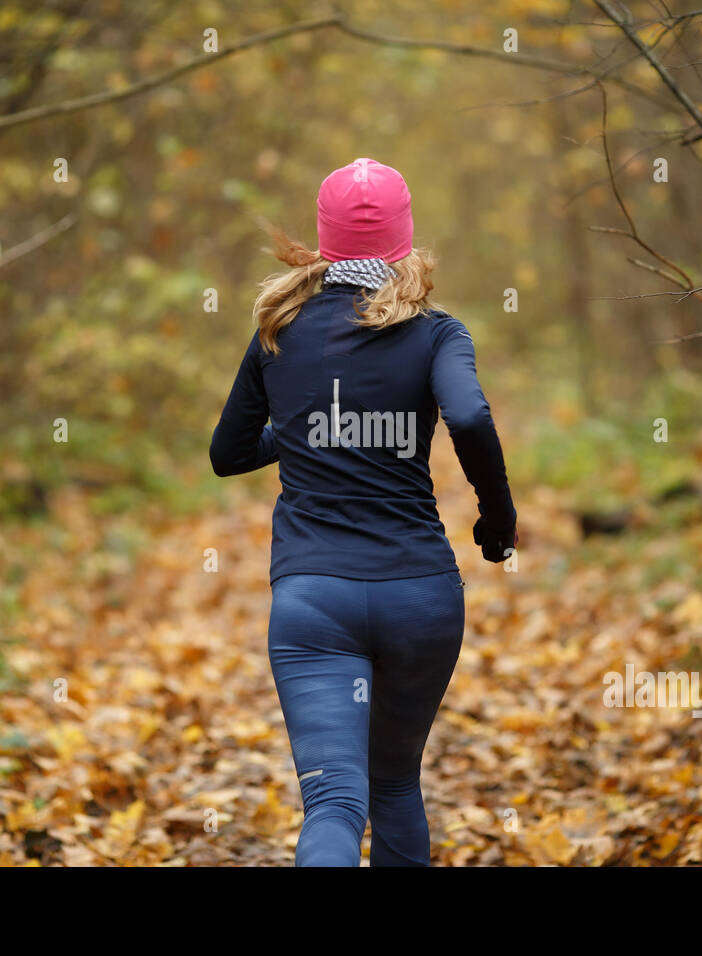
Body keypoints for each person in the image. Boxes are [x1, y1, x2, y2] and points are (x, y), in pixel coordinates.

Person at [209, 157, 517, 866]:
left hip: (314, 601)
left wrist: (306, 420)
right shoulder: (440, 334)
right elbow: (468, 415)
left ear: (323, 244)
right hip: (421, 596)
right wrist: (497, 526)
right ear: (406, 244)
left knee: (334, 803)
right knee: (396, 786)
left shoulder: (279, 331)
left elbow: (227, 453)